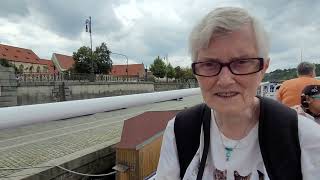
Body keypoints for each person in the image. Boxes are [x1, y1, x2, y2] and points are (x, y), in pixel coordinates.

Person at [156, 7, 320, 180]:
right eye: (209, 64)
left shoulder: (304, 138)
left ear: (263, 69)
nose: (225, 80)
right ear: (196, 72)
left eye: (242, 62)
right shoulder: (179, 131)